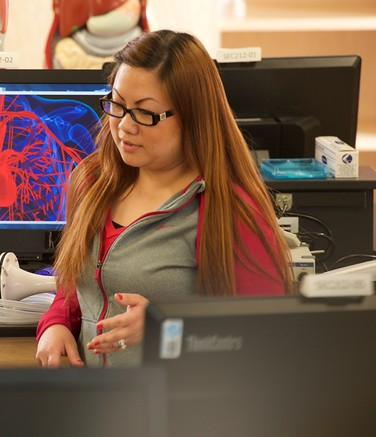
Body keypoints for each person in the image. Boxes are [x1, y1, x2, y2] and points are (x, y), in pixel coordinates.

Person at [35, 29, 293, 368]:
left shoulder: (229, 210)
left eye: (145, 113)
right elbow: (77, 286)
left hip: (182, 414)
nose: (125, 126)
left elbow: (267, 334)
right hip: (98, 408)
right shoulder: (92, 182)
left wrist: (170, 326)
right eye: (117, 104)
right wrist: (54, 324)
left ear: (193, 118)